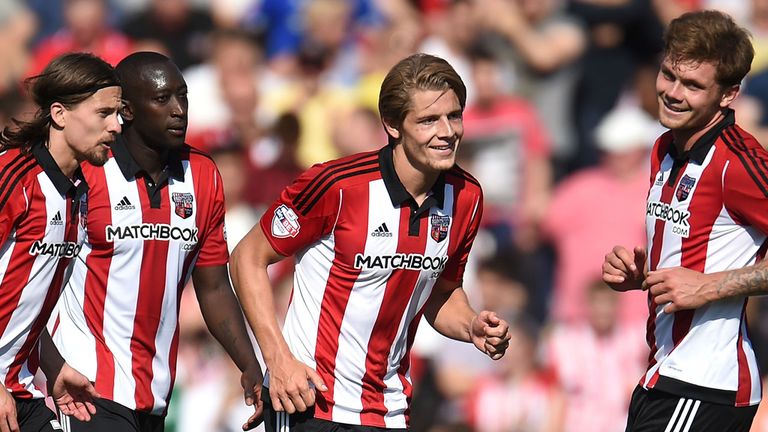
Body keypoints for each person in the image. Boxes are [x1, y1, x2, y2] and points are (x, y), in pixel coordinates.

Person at [230, 52, 511, 431]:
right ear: (393, 125)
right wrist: (277, 360)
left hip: (390, 410)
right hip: (310, 404)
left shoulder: (466, 197)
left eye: (454, 116)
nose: (447, 131)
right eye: (428, 120)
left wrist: (471, 325)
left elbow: (442, 293)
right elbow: (247, 257)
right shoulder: (338, 186)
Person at [50, 51, 263, 432]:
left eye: (183, 97)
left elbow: (213, 286)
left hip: (156, 395)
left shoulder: (203, 175)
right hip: (87, 390)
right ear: (127, 110)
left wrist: (249, 364)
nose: (179, 110)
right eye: (163, 99)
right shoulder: (86, 172)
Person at [601, 10, 766, 432]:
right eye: (669, 75)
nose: (672, 93)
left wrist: (709, 286)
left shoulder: (737, 163)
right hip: (665, 373)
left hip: (705, 383)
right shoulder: (664, 148)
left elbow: (703, 279)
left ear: (728, 95)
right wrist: (642, 275)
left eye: (693, 85)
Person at [0, 52, 122, 431]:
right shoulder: (13, 177)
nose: (117, 126)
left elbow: (26, 302)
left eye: (117, 114)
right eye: (104, 113)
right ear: (59, 114)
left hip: (20, 389)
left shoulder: (78, 192)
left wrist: (54, 367)